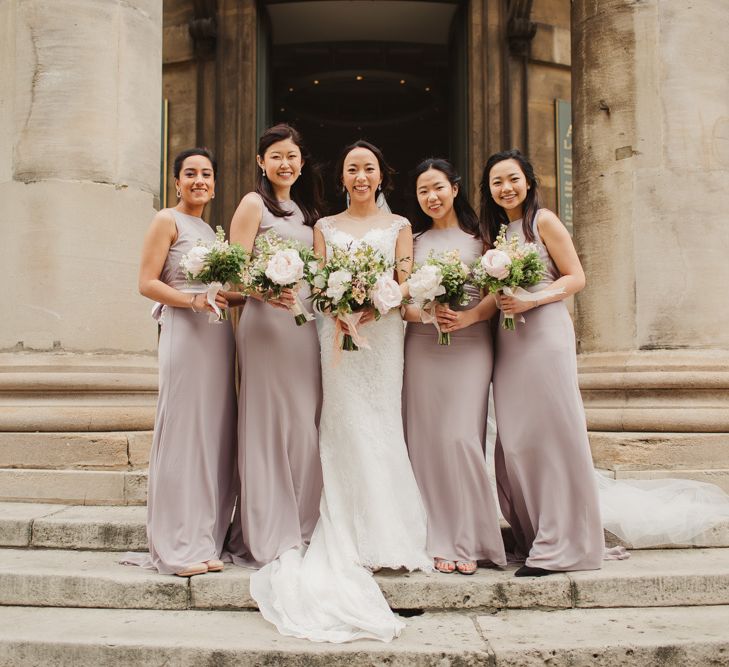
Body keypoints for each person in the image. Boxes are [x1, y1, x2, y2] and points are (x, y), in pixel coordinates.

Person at [250, 140, 431, 643]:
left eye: (368, 168)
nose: (360, 176)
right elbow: (318, 283)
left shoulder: (400, 229)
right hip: (335, 333)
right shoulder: (322, 229)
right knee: (344, 422)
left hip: (382, 334)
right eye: (352, 168)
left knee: (381, 423)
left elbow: (403, 282)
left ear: (380, 176)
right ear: (341, 177)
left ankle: (390, 531)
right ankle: (347, 529)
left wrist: (379, 304)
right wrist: (341, 306)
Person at [481, 148, 605, 577]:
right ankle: (534, 532)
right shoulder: (496, 234)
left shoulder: (543, 221)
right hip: (509, 342)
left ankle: (563, 543)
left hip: (545, 335)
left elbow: (576, 276)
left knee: (553, 432)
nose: (506, 188)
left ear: (528, 181)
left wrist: (532, 297)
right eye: (497, 182)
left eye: (513, 179)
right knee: (516, 438)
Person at [123, 148, 237, 576]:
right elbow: (146, 282)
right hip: (186, 335)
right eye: (190, 173)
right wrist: (191, 301)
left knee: (211, 437)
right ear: (176, 181)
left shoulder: (210, 230)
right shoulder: (165, 219)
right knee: (184, 436)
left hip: (217, 335)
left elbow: (218, 289)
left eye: (206, 174)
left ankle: (203, 539)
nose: (199, 181)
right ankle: (175, 546)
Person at [223, 124, 324, 568]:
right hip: (265, 324)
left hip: (304, 326)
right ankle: (266, 527)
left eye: (292, 156)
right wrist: (265, 292)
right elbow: (234, 272)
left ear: (301, 163)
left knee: (304, 424)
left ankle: (303, 523)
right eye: (276, 156)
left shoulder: (307, 211)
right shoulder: (251, 204)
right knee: (267, 423)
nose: (286, 163)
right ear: (262, 163)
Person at [402, 158, 506, 575]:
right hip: (424, 346)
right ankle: (438, 537)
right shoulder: (413, 241)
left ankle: (471, 536)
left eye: (438, 187)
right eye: (423, 190)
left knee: (462, 438)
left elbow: (498, 293)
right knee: (426, 443)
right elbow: (398, 302)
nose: (432, 196)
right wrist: (427, 315)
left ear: (455, 189)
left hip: (471, 344)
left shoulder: (482, 240)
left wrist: (468, 317)